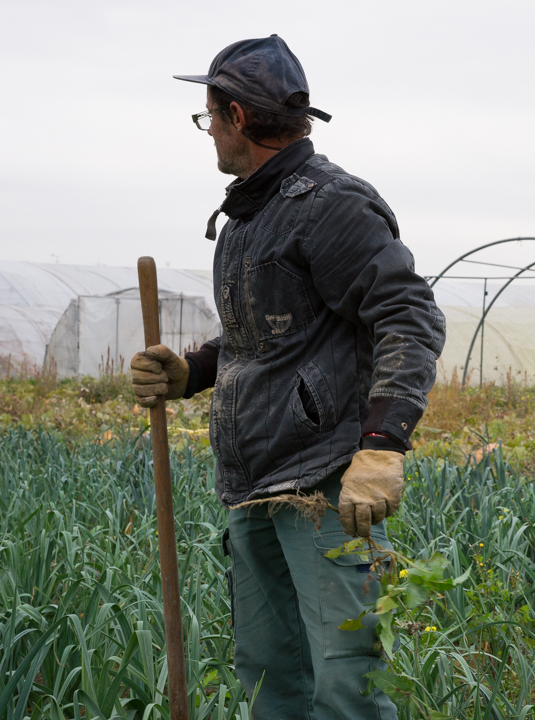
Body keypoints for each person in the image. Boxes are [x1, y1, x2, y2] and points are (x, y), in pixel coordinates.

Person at [129, 35, 445, 718]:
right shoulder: (251, 211)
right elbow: (268, 338)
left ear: (237, 116)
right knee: (271, 680)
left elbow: (409, 317)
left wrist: (383, 445)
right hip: (254, 487)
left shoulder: (331, 204)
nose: (207, 130)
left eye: (208, 115)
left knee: (345, 684)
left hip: (325, 486)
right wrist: (192, 372)